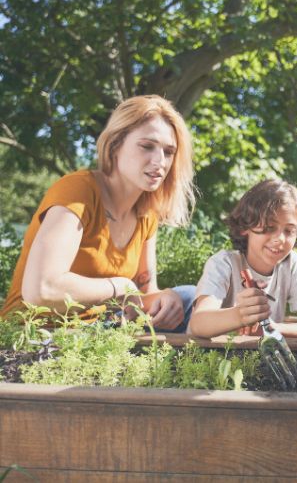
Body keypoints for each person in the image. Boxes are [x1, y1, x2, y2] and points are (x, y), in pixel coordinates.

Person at [1, 95, 197, 331]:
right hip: (33, 334)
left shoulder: (147, 213)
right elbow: (41, 290)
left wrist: (165, 299)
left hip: (102, 331)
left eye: (169, 152)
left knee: (188, 297)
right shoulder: (79, 190)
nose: (160, 161)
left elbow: (142, 294)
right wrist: (120, 286)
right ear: (115, 145)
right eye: (147, 146)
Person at [188, 179, 297, 339]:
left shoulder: (291, 265)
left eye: (289, 231)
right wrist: (240, 316)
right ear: (245, 227)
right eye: (270, 227)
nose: (280, 238)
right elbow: (199, 323)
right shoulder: (224, 263)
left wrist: (272, 328)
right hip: (212, 358)